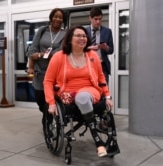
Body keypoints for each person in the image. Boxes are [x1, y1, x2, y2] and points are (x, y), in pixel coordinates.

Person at [43, 25, 113, 157]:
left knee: (82, 97)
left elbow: (101, 77)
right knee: (79, 97)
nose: (82, 38)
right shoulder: (58, 57)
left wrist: (108, 96)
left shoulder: (92, 55)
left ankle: (97, 141)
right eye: (78, 35)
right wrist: (51, 103)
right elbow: (48, 81)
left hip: (91, 91)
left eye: (84, 36)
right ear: (69, 39)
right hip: (66, 94)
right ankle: (98, 140)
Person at [27, 8, 67, 125]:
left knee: (51, 98)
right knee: (39, 99)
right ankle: (46, 113)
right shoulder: (42, 30)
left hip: (55, 72)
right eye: (55, 16)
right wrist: (38, 55)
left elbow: (59, 52)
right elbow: (32, 49)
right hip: (39, 72)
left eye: (60, 17)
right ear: (51, 17)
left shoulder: (65, 34)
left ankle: (48, 120)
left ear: (63, 20)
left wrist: (40, 55)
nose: (57, 19)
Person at [86, 7, 114, 84]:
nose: (98, 22)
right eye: (95, 19)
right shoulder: (84, 31)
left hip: (102, 66)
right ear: (90, 18)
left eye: (100, 19)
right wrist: (89, 48)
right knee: (90, 90)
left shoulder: (107, 31)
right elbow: (79, 49)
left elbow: (111, 50)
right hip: (87, 65)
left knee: (103, 91)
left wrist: (106, 47)